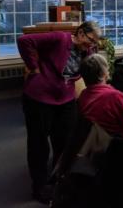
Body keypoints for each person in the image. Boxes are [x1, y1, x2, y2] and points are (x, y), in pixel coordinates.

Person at [17, 21, 101, 203]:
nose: (91, 44)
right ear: (80, 33)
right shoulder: (60, 38)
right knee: (39, 145)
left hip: (65, 100)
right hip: (39, 98)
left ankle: (57, 182)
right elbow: (24, 40)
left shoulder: (87, 51)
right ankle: (39, 188)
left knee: (64, 143)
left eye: (94, 42)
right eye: (89, 39)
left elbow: (87, 71)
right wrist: (33, 66)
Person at [77, 54, 123, 142]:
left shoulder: (83, 95)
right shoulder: (114, 96)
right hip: (117, 145)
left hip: (94, 143)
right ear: (104, 73)